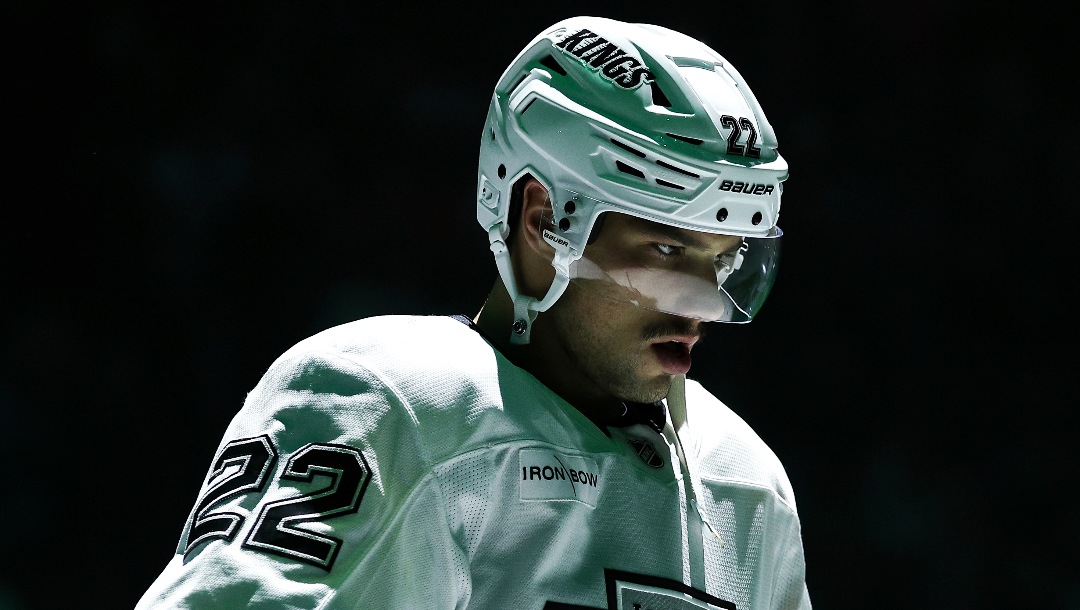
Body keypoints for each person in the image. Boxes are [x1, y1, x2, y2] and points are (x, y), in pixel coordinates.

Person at [136, 15, 810, 609]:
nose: (703, 306)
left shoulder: (746, 482)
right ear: (543, 221)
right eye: (666, 249)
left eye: (722, 261)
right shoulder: (388, 401)